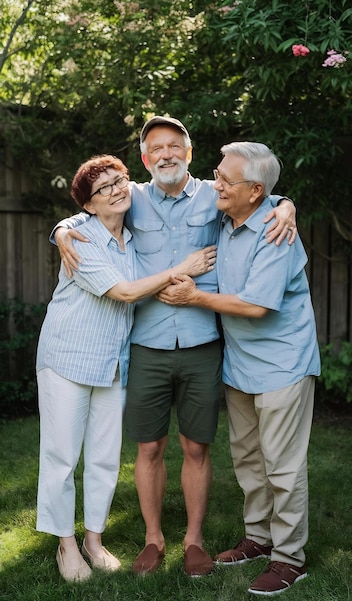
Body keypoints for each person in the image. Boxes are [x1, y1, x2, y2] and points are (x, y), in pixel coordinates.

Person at [51, 117, 297, 577]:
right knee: (149, 448)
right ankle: (153, 539)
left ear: (188, 151)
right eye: (155, 149)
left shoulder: (215, 193)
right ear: (144, 160)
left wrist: (287, 205)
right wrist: (61, 231)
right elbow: (82, 214)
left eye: (174, 146)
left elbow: (260, 194)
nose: (165, 154)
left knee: (197, 447)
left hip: (204, 343)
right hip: (146, 344)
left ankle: (194, 541)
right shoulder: (131, 197)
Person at [36, 153, 216, 582]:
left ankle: (93, 541)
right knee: (61, 457)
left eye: (120, 181)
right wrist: (183, 268)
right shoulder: (80, 237)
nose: (117, 190)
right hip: (67, 358)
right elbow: (124, 292)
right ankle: (66, 546)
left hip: (114, 362)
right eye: (104, 188)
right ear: (88, 205)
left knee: (103, 458)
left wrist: (287, 204)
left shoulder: (131, 237)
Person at [156, 141, 320, 594]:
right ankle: (259, 538)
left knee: (283, 468)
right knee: (249, 460)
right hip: (241, 364)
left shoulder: (274, 229)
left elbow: (255, 306)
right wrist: (65, 226)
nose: (216, 184)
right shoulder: (229, 215)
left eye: (226, 180)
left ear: (257, 190)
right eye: (217, 174)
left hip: (283, 363)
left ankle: (290, 558)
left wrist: (194, 297)